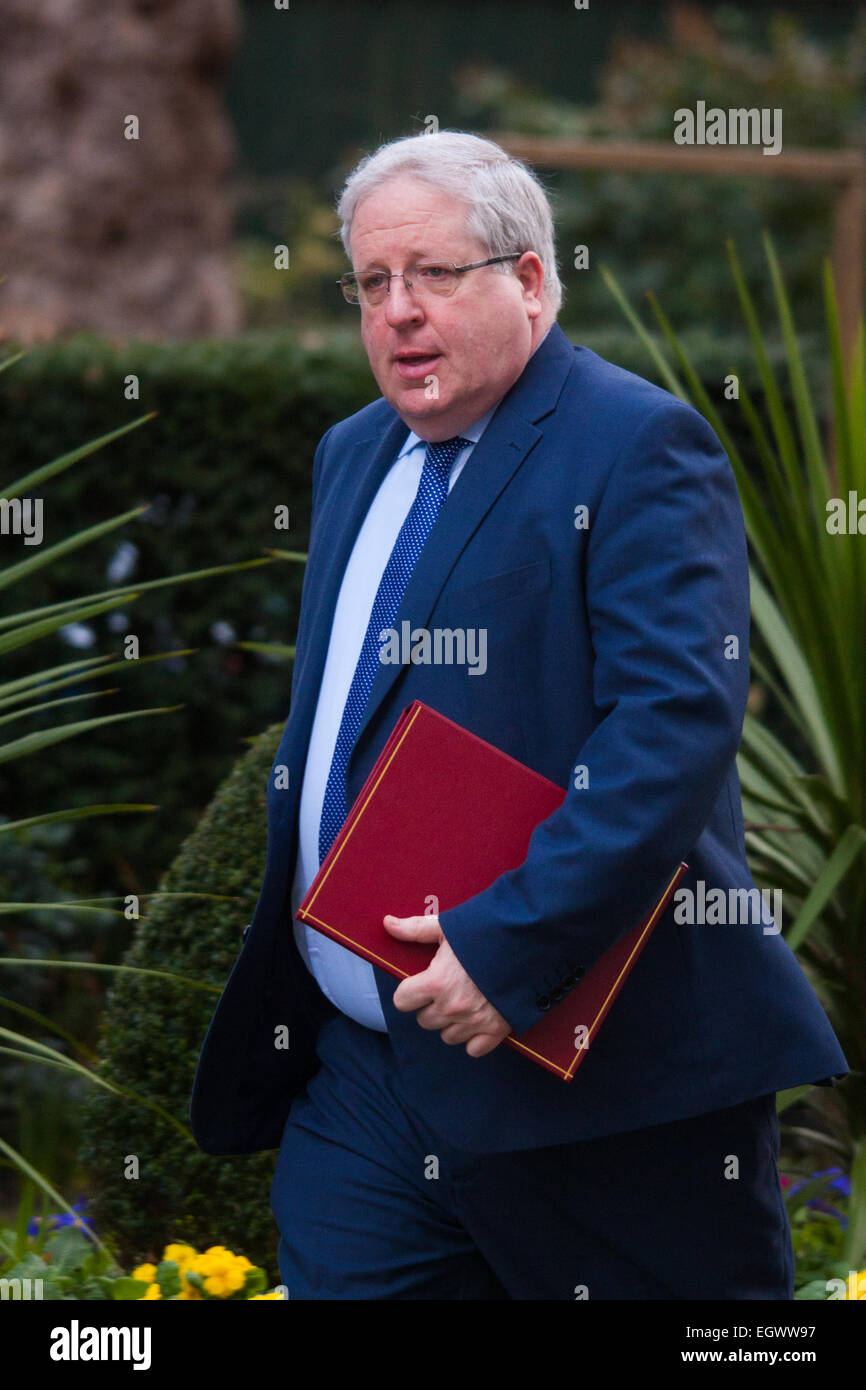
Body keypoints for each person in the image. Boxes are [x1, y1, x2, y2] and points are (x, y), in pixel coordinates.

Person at [190, 130, 849, 1300]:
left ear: (531, 279)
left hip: (595, 1088)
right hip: (363, 1084)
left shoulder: (638, 446)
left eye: (434, 275)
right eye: (372, 283)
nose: (396, 311)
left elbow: (671, 726)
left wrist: (511, 949)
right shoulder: (353, 455)